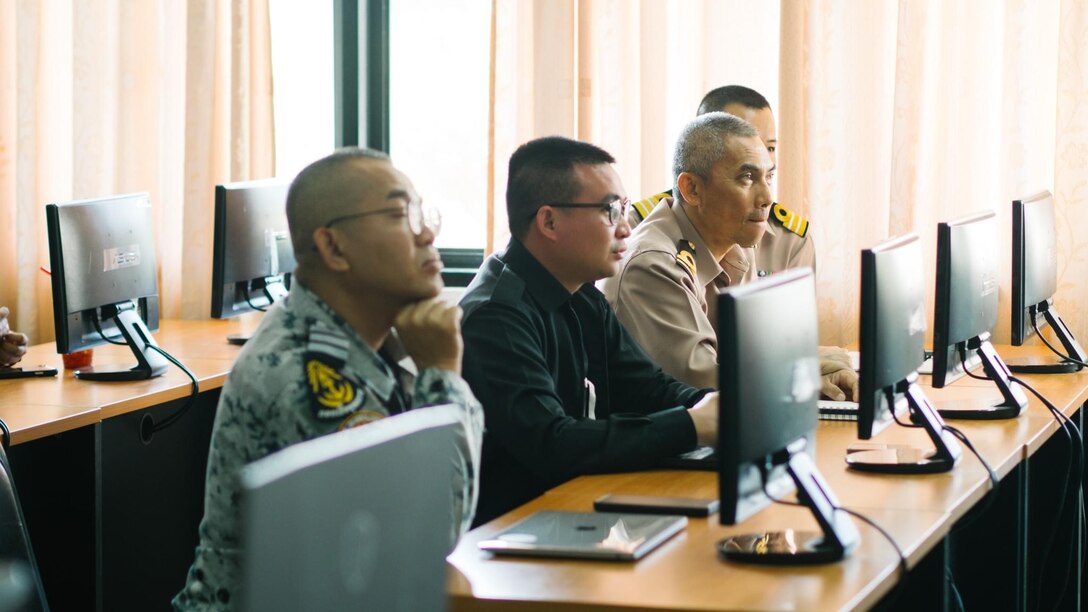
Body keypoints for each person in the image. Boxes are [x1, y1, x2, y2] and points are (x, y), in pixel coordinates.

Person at [174, 148, 484, 610]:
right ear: (334, 247)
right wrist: (442, 375)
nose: (428, 232)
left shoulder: (368, 338)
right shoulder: (302, 375)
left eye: (422, 211)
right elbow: (431, 531)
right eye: (402, 213)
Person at [459, 136, 719, 526]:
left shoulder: (580, 292)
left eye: (626, 210)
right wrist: (690, 425)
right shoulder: (496, 316)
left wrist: (721, 406)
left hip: (575, 509)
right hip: (514, 537)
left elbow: (649, 389)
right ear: (548, 221)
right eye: (610, 211)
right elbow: (552, 442)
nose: (626, 230)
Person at [603, 113, 856, 399]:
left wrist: (823, 368)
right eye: (747, 178)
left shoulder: (736, 246)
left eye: (769, 176)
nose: (767, 197)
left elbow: (755, 355)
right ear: (692, 189)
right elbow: (703, 387)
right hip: (669, 439)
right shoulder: (653, 264)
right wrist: (805, 371)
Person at [628, 85, 814, 277]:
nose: (762, 157)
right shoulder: (639, 227)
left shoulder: (791, 239)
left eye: (771, 148)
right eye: (741, 138)